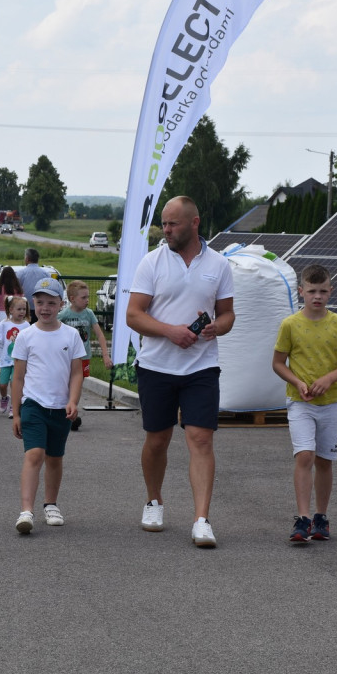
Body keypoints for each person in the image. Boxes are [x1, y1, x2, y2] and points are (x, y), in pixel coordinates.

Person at [125, 195, 234, 548]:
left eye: (172, 223)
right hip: (156, 365)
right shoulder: (151, 262)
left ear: (194, 223)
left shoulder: (219, 264)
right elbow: (133, 315)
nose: (166, 230)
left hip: (202, 366)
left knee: (201, 439)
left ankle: (202, 519)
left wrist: (218, 326)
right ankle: (154, 501)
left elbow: (228, 314)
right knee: (158, 439)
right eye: (164, 223)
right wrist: (170, 330)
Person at [272, 264, 337, 544]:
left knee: (324, 460)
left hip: (331, 402)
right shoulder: (290, 324)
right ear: (301, 292)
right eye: (311, 291)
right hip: (300, 402)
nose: (317, 297)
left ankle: (320, 517)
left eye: (323, 291)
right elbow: (277, 363)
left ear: (330, 291)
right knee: (305, 455)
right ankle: (302, 518)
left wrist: (329, 378)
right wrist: (298, 382)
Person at [11, 278, 85, 534]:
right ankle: (26, 511)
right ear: (33, 304)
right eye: (40, 302)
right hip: (33, 405)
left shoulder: (71, 335)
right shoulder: (26, 336)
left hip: (60, 408)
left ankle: (51, 504)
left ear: (60, 305)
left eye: (51, 303)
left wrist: (73, 400)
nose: (45, 308)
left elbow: (77, 373)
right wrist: (16, 413)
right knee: (34, 455)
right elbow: (18, 377)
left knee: (55, 458)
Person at [58, 280, 113, 431]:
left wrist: (105, 355)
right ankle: (64, 410)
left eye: (88, 297)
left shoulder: (89, 314)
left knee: (77, 384)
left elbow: (100, 335)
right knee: (65, 384)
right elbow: (52, 329)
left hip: (83, 357)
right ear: (72, 298)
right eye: (83, 297)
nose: (87, 300)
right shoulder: (64, 315)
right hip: (66, 357)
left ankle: (72, 410)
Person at [18, 248, 49, 324]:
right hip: (41, 309)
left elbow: (16, 290)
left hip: (24, 309)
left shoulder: (21, 273)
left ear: (27, 259)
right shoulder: (45, 273)